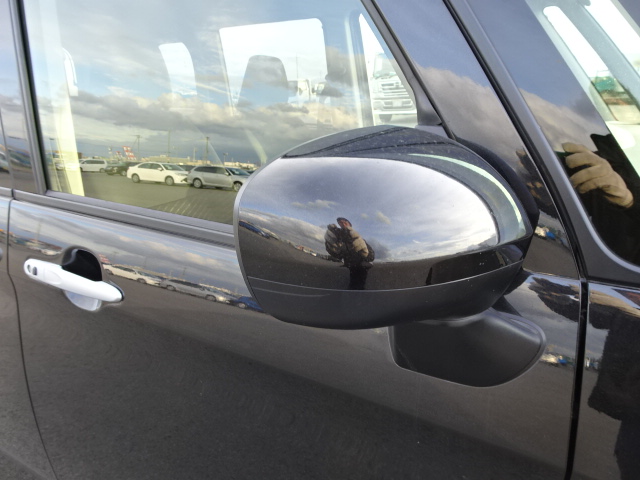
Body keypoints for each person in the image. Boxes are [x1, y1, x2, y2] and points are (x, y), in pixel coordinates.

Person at [324, 217, 374, 290]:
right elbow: (338, 256)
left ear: (350, 225)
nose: (343, 224)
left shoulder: (359, 239)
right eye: (341, 223)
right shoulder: (339, 240)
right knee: (351, 287)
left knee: (360, 287)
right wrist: (329, 245)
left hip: (361, 269)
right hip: (349, 269)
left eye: (345, 222)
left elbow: (371, 257)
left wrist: (365, 252)